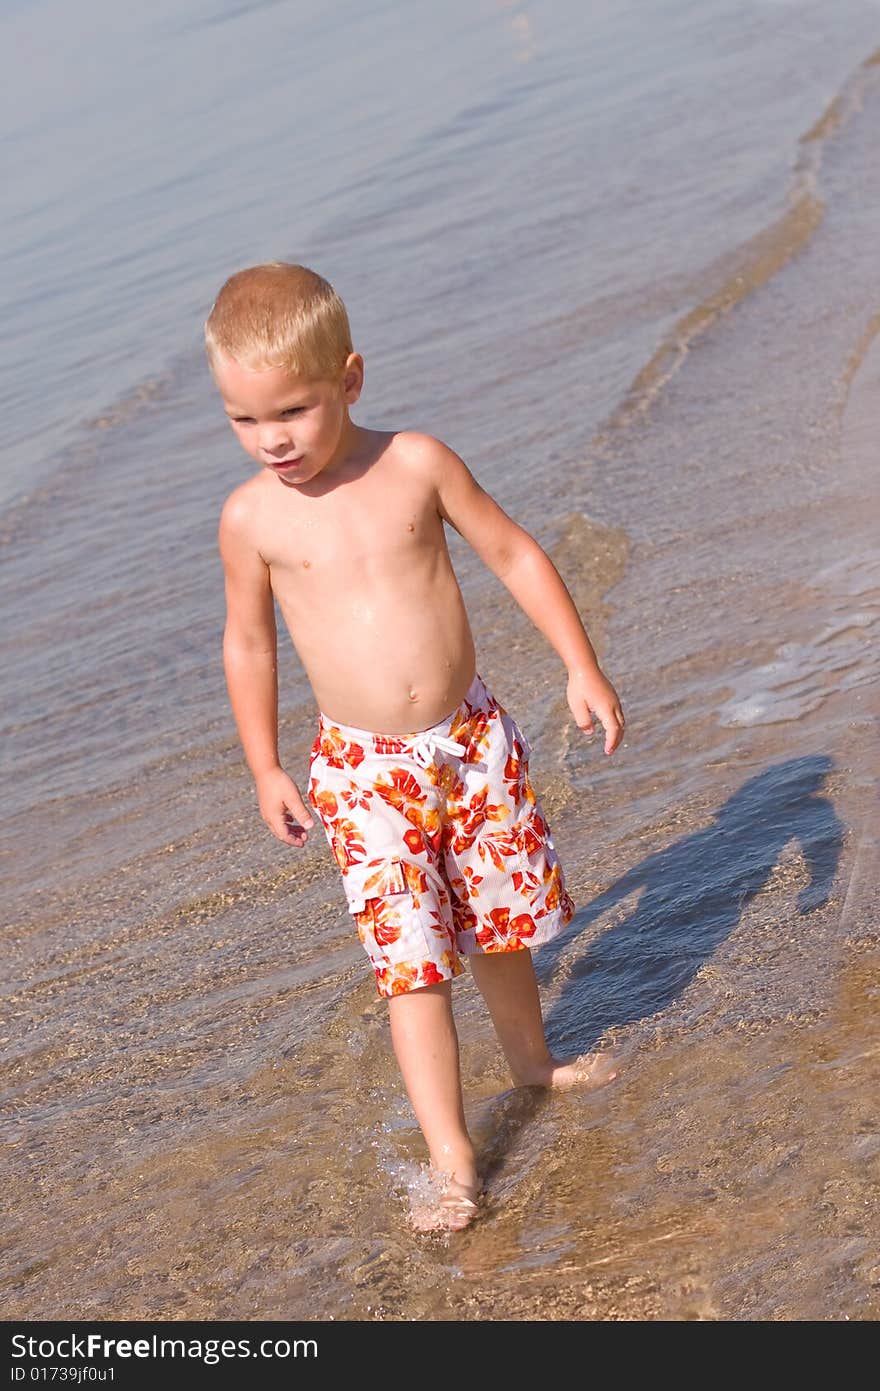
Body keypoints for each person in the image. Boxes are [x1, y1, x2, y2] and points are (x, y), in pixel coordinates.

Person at [208, 262, 626, 1232]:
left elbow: (512, 550)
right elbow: (248, 641)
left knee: (501, 930)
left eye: (294, 411)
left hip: (471, 743)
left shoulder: (416, 462)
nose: (271, 439)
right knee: (414, 965)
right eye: (243, 419)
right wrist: (265, 763)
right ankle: (452, 1155)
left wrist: (580, 664)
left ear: (349, 379)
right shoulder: (252, 520)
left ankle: (533, 1063)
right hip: (363, 775)